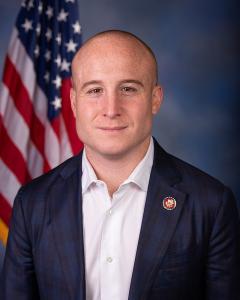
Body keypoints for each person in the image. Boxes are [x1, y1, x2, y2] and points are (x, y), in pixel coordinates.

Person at [1, 30, 240, 300]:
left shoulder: (211, 205)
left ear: (155, 99)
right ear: (73, 102)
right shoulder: (32, 203)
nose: (111, 108)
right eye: (95, 90)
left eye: (128, 89)